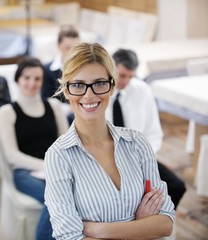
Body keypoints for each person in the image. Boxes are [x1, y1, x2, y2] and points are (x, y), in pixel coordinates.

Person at [44, 42, 175, 239]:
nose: (89, 95)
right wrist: (138, 225)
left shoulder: (138, 143)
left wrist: (97, 229)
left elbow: (165, 222)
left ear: (111, 86)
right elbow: (70, 237)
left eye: (99, 83)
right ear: (67, 90)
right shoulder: (58, 156)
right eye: (78, 85)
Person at [0, 57, 69, 239]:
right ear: (18, 79)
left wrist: (55, 166)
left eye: (37, 78)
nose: (32, 83)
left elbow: (65, 142)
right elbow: (12, 156)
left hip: (55, 170)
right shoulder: (7, 112)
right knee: (54, 199)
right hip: (25, 173)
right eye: (27, 77)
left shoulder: (54, 106)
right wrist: (45, 165)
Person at [106, 48, 186, 209]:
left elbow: (154, 132)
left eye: (131, 76)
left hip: (140, 158)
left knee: (177, 187)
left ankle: (155, 223)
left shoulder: (143, 90)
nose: (126, 81)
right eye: (122, 75)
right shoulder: (99, 92)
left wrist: (145, 160)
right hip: (108, 161)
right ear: (111, 69)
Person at [41, 24, 80, 101]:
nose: (72, 52)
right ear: (58, 46)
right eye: (68, 48)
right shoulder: (47, 70)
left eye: (76, 47)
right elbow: (46, 99)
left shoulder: (85, 68)